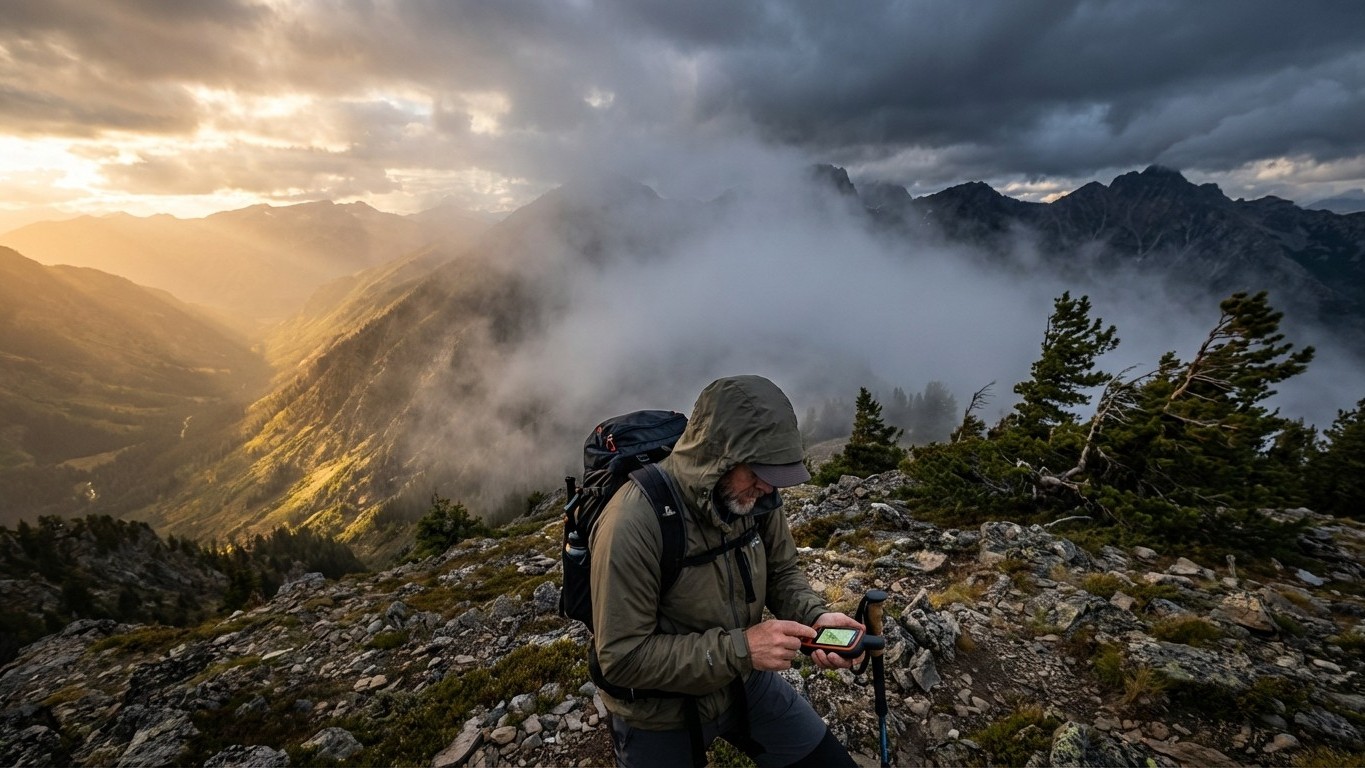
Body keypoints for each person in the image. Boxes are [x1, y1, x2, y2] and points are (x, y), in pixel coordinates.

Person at [591, 375, 862, 768]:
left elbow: (782, 571)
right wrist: (743, 649)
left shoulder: (757, 497)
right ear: (717, 457)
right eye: (757, 472)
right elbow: (623, 658)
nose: (768, 487)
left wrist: (815, 616)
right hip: (658, 713)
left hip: (743, 682)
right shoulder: (632, 523)